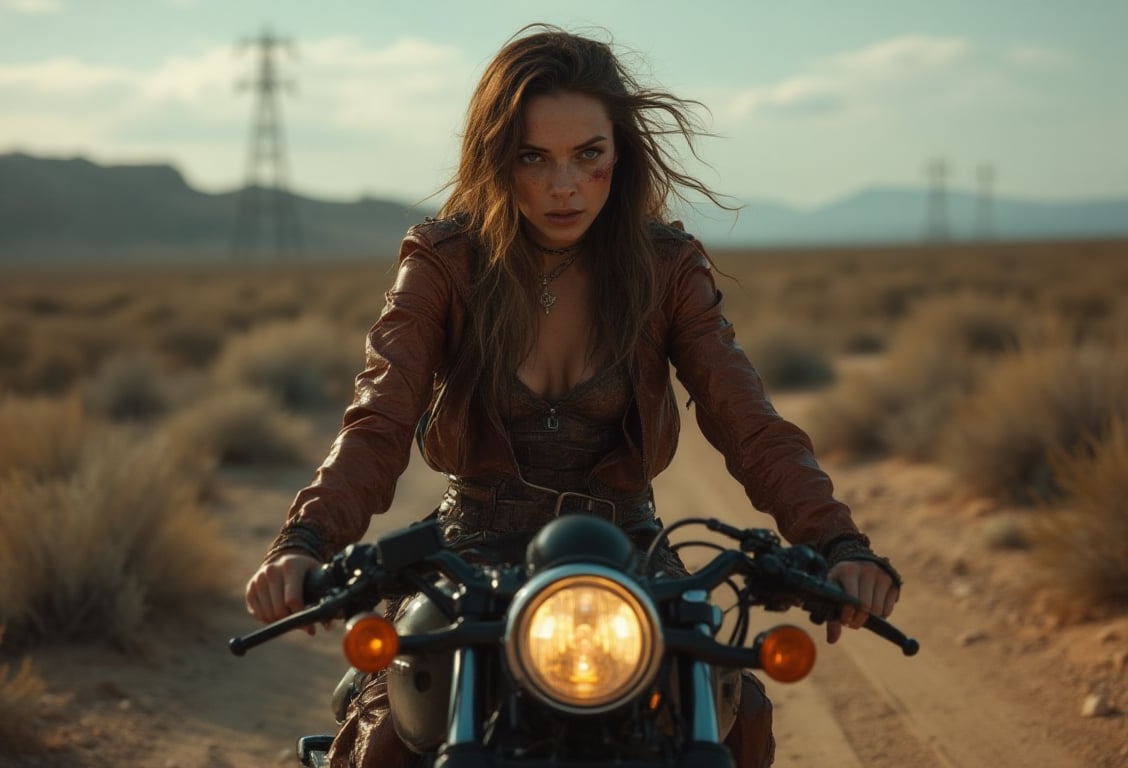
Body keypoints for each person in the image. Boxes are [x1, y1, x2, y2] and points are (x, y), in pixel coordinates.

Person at [244, 23, 901, 768]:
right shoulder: (444, 261)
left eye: (588, 155)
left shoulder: (666, 269)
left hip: (631, 549)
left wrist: (838, 546)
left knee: (732, 712)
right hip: (473, 549)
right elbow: (378, 419)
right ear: (499, 158)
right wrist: (304, 543)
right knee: (389, 737)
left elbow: (747, 420)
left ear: (618, 152)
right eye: (535, 157)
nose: (564, 186)